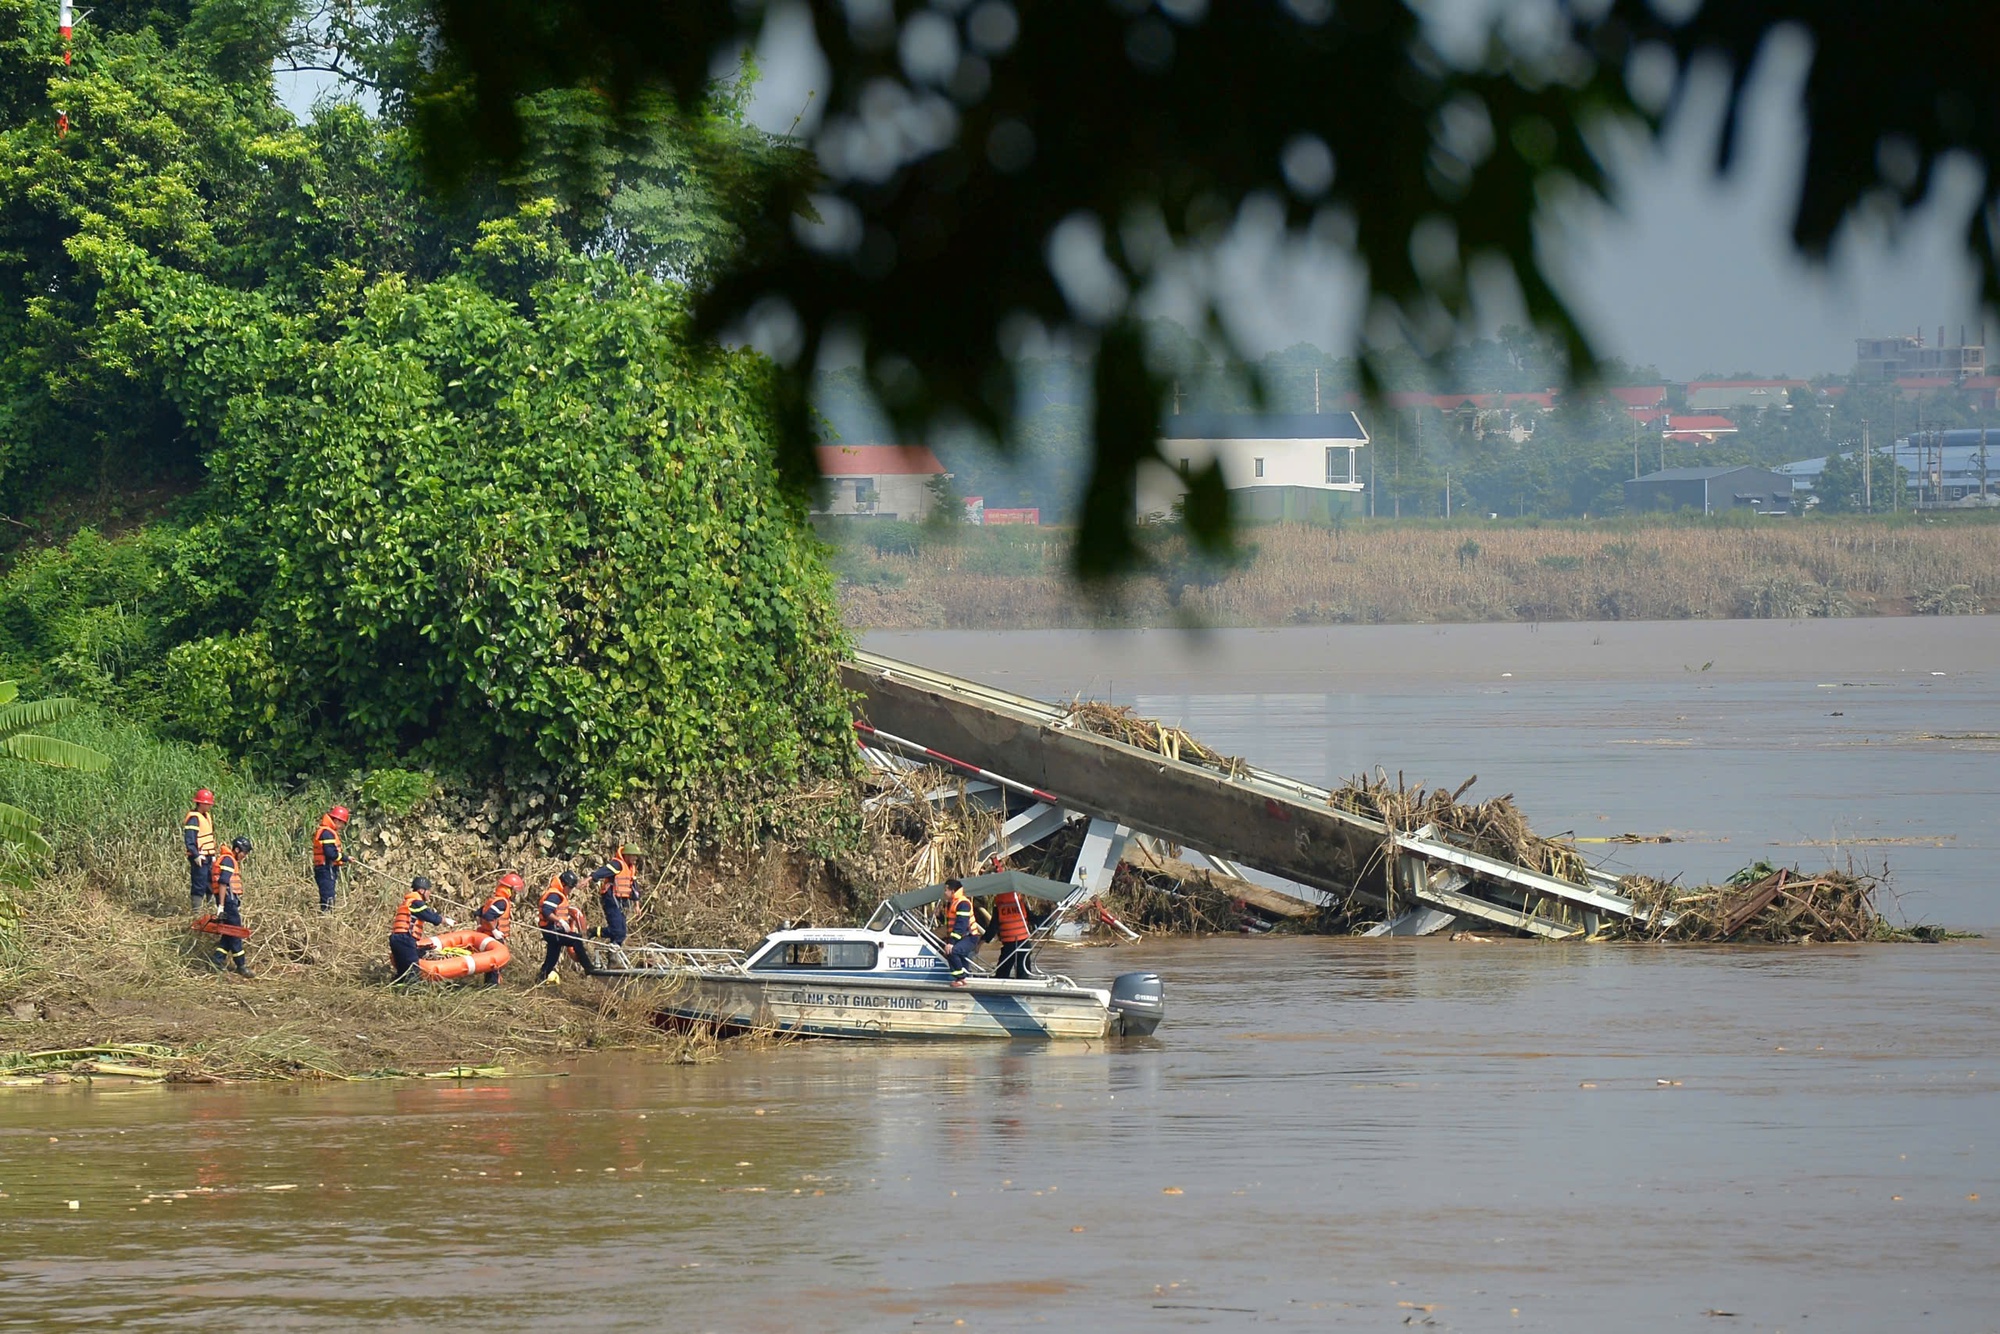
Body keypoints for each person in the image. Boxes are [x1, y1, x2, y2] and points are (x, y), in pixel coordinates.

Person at [206, 836, 255, 977]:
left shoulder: (224, 859)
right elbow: (222, 883)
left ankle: (216, 960)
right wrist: (221, 906)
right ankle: (241, 965)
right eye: (244, 853)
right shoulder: (228, 860)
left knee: (228, 934)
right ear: (237, 849)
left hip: (228, 902)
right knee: (236, 933)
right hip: (228, 903)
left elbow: (210, 881)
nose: (245, 856)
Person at [536, 870, 595, 985]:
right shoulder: (555, 895)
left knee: (552, 959)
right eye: (570, 887)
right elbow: (546, 911)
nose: (571, 890)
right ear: (563, 884)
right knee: (576, 940)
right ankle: (588, 968)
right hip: (552, 930)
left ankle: (539, 980)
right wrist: (560, 921)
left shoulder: (559, 893)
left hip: (553, 931)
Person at [389, 875, 446, 985]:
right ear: (421, 890)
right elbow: (429, 916)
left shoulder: (409, 902)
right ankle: (412, 994)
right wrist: (445, 920)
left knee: (402, 970)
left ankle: (398, 990)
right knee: (413, 970)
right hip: (405, 939)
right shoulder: (416, 903)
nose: (430, 893)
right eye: (428, 890)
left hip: (396, 939)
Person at [586, 844, 641, 947]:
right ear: (627, 855)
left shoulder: (631, 869)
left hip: (622, 902)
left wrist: (637, 905)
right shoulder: (617, 864)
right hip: (611, 899)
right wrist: (588, 879)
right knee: (617, 931)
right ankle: (592, 932)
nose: (636, 858)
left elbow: (634, 887)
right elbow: (602, 872)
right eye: (634, 856)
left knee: (622, 933)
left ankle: (613, 955)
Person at [475, 872, 522, 987]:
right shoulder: (501, 903)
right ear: (510, 889)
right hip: (493, 937)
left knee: (491, 963)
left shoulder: (495, 899)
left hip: (487, 935)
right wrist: (494, 930)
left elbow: (478, 913)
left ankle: (489, 985)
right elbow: (488, 916)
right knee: (496, 963)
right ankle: (492, 986)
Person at [989, 881, 1037, 979]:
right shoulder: (1021, 905)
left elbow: (992, 928)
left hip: (1009, 945)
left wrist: (980, 943)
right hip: (1024, 942)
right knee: (1023, 972)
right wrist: (1052, 917)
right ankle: (1024, 986)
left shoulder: (999, 908)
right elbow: (1034, 919)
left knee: (1002, 973)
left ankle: (1001, 984)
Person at [182, 789, 217, 916]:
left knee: (210, 882)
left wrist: (212, 855)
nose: (209, 806)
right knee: (199, 882)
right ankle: (197, 913)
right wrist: (196, 854)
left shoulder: (206, 816)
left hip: (208, 855)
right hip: (199, 856)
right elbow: (190, 838)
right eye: (207, 804)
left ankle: (210, 910)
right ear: (200, 803)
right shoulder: (193, 818)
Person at [942, 877, 981, 987]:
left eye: (946, 890)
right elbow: (950, 922)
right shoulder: (951, 903)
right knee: (951, 952)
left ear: (952, 891)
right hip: (961, 937)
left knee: (952, 951)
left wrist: (951, 943)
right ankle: (963, 976)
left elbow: (961, 924)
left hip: (969, 937)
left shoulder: (963, 903)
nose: (944, 893)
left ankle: (961, 978)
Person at [311, 806, 350, 913]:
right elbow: (330, 853)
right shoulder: (327, 833)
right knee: (328, 895)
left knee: (328, 894)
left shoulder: (326, 831)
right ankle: (327, 919)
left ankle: (327, 916)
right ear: (337, 820)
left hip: (325, 867)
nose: (342, 826)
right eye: (342, 823)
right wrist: (345, 858)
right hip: (326, 868)